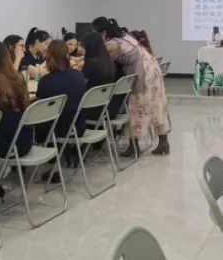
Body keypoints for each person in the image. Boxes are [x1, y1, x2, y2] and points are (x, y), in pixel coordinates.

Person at [93, 17, 171, 156]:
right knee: (156, 104)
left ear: (103, 33)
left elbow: (103, 63)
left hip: (142, 73)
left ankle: (133, 147)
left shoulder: (112, 44)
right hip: (151, 68)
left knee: (137, 107)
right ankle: (163, 141)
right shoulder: (124, 36)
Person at [35, 40, 88, 143]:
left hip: (53, 130)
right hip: (77, 126)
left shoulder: (45, 81)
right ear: (67, 56)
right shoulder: (79, 75)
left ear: (48, 57)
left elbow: (40, 107)